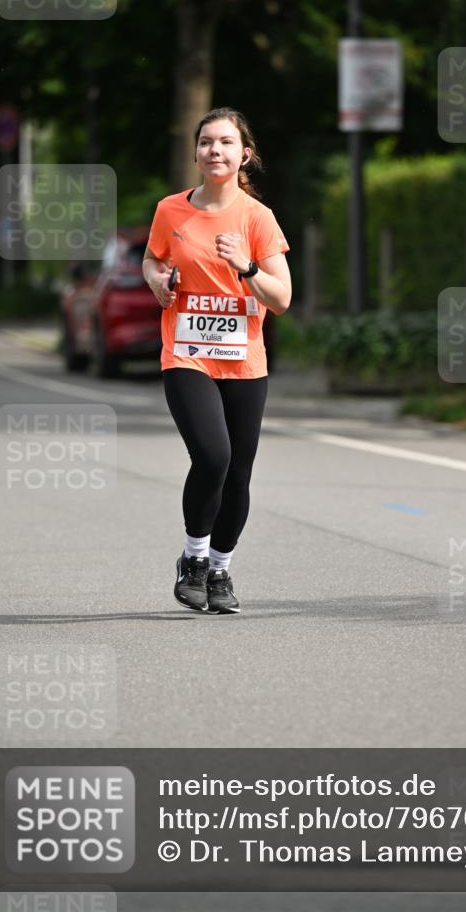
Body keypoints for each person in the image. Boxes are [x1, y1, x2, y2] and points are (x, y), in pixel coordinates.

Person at [142, 108, 292, 615]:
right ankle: (194, 560)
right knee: (213, 456)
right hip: (186, 354)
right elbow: (153, 258)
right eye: (206, 142)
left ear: (243, 153)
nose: (215, 151)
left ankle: (222, 570)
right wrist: (159, 282)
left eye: (226, 143)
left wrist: (245, 266)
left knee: (239, 474)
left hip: (244, 361)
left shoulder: (257, 218)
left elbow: (282, 297)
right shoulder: (171, 211)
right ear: (196, 151)